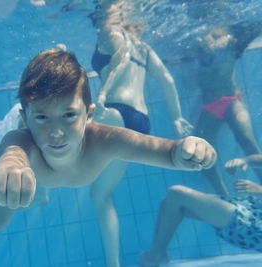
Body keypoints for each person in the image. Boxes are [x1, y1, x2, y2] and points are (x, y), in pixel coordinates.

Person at [0, 47, 216, 257]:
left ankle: (36, 183)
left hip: (42, 135)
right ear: (27, 119)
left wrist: (190, 150)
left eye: (69, 116)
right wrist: (9, 173)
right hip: (20, 132)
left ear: (89, 115)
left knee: (29, 188)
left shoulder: (104, 139)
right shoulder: (21, 138)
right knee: (5, 201)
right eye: (42, 118)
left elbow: (168, 151)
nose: (56, 132)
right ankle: (32, 183)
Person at [88, 1, 193, 266]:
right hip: (140, 120)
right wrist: (177, 117)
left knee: (65, 130)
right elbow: (167, 79)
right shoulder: (143, 48)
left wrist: (101, 93)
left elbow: (118, 59)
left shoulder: (108, 31)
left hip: (115, 112)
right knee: (99, 194)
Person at [140, 154, 262, 267]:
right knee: (171, 203)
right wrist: (244, 160)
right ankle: (157, 254)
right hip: (251, 209)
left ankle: (155, 255)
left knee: (177, 194)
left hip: (255, 226)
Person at [190, 21, 262, 195]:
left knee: (246, 137)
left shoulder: (232, 41)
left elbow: (255, 27)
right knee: (200, 151)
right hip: (209, 106)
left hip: (232, 100)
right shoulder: (195, 42)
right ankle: (224, 198)